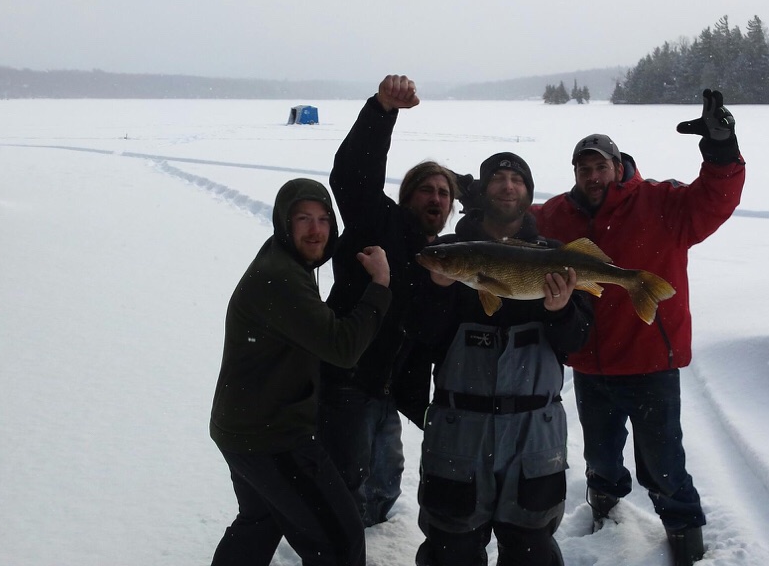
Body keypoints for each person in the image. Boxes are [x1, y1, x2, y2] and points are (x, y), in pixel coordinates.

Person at [532, 89, 746, 566]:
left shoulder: (661, 202)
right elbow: (515, 221)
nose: (592, 177)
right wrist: (474, 193)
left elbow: (715, 199)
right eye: (583, 170)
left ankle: (685, 534)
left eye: (600, 167)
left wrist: (721, 148)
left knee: (665, 465)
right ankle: (606, 512)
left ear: (617, 165)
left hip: (650, 364)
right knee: (601, 460)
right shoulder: (558, 215)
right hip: (590, 366)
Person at [413, 153, 594, 566]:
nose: (507, 186)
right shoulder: (445, 254)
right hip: (459, 430)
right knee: (450, 550)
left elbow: (577, 343)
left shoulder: (555, 256)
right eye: (498, 178)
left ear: (529, 193)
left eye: (517, 179)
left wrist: (562, 310)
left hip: (535, 432)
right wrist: (439, 290)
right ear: (483, 188)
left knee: (532, 551)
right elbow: (422, 336)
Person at [208, 177, 392, 566]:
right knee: (340, 541)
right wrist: (380, 286)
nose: (316, 229)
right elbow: (342, 347)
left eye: (324, 219)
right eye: (304, 219)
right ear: (284, 224)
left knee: (260, 521)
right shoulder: (281, 276)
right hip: (272, 435)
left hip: (244, 426)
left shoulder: (288, 260)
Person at [318, 74, 459, 527]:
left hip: (386, 391)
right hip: (346, 383)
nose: (435, 197)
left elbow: (428, 333)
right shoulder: (378, 222)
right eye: (426, 189)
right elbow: (353, 177)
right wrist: (381, 112)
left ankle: (360, 537)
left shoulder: (443, 259)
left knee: (384, 484)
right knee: (344, 484)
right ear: (407, 196)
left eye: (443, 192)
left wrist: (440, 292)